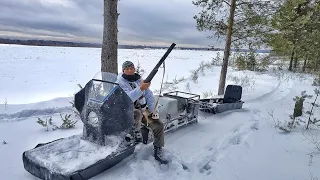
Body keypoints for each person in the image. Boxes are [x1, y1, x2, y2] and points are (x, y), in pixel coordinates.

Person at [116, 61, 168, 164]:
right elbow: (128, 98)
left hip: (143, 111)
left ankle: (158, 149)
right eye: (127, 68)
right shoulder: (120, 83)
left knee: (158, 125)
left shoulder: (140, 80)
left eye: (132, 68)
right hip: (127, 113)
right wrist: (140, 89)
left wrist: (153, 111)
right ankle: (132, 137)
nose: (130, 70)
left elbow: (149, 96)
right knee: (136, 114)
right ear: (123, 70)